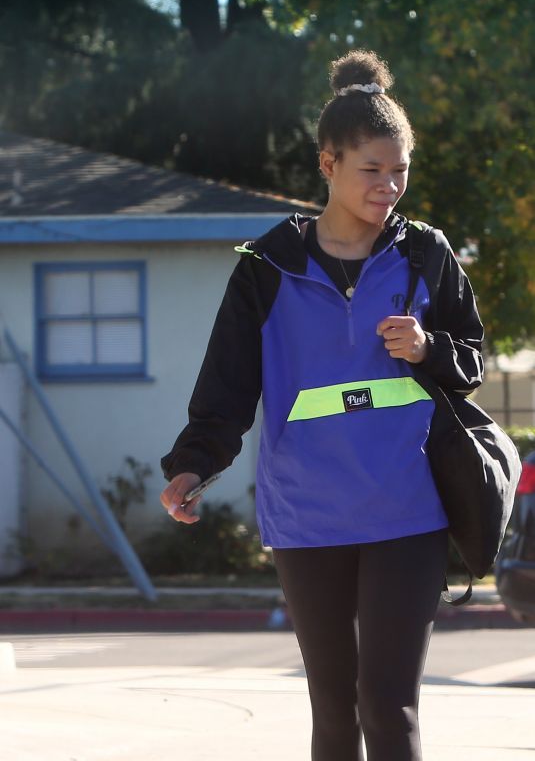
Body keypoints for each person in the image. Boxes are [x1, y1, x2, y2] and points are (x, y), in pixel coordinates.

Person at [160, 49, 484, 761]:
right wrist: (192, 467)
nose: (389, 186)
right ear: (327, 165)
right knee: (334, 712)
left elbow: (471, 362)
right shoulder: (266, 267)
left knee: (387, 706)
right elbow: (226, 386)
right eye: (371, 170)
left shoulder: (426, 255)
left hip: (409, 509)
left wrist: (428, 348)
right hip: (307, 516)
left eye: (400, 170)